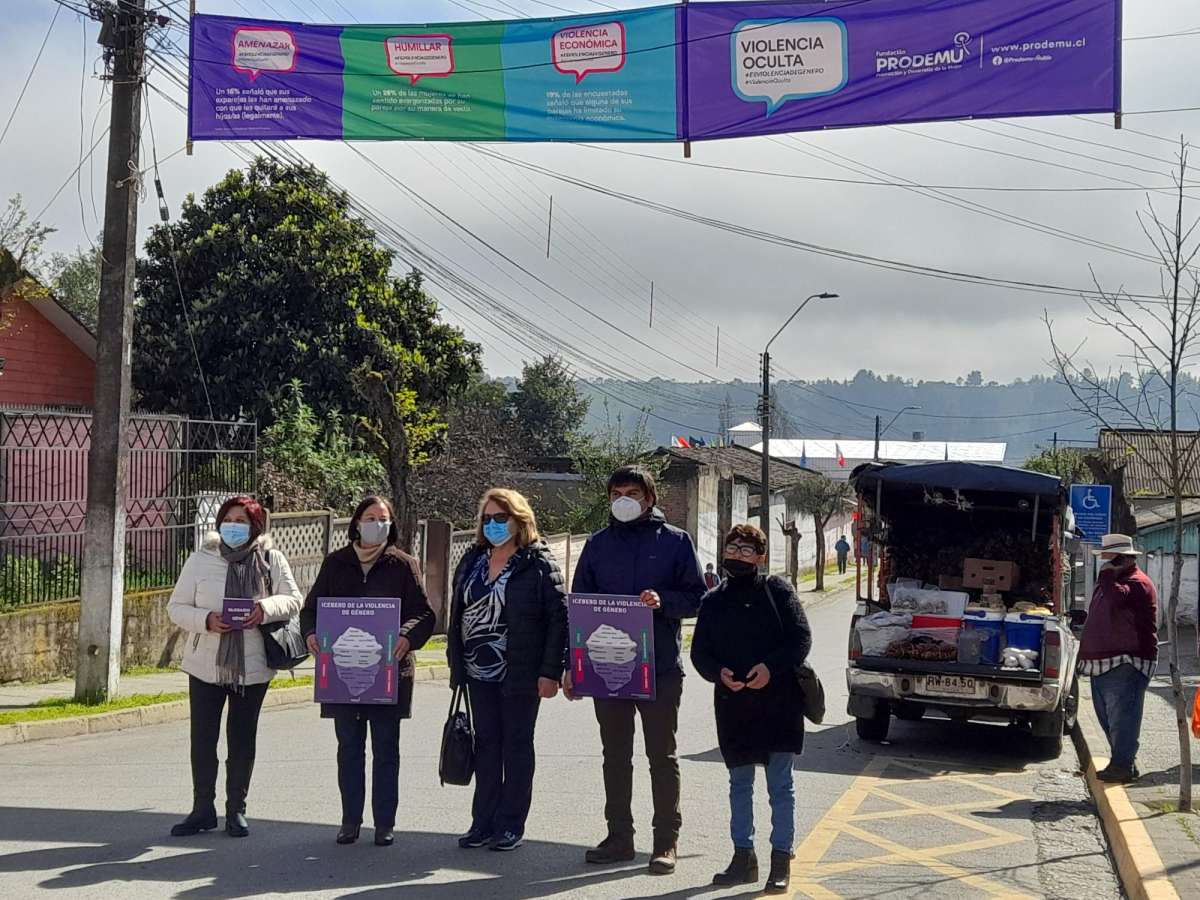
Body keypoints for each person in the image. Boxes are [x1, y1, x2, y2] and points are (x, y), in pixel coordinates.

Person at [565, 465, 706, 875]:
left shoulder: (676, 542)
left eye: (632, 492)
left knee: (661, 756)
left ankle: (666, 841)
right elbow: (579, 609)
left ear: (650, 498)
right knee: (615, 756)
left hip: (659, 668)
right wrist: (570, 667)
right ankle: (619, 837)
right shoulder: (597, 544)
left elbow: (697, 597)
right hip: (607, 669)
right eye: (616, 493)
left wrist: (663, 601)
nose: (623, 499)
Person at [300, 496, 435, 847]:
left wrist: (406, 636)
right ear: (357, 522)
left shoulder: (403, 565)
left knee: (386, 749)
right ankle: (350, 820)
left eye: (384, 518)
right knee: (349, 748)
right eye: (370, 517)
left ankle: (384, 823)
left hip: (387, 675)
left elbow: (424, 613)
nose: (377, 523)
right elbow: (310, 609)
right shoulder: (336, 564)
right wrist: (312, 633)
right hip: (343, 676)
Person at [167, 495, 303, 839]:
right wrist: (206, 620)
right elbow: (176, 607)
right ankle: (202, 810)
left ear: (255, 526)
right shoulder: (201, 560)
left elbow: (294, 599)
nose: (234, 526)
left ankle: (236, 810)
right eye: (229, 519)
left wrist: (265, 609)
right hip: (205, 664)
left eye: (242, 521)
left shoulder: (271, 559)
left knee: (241, 740)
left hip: (253, 665)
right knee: (203, 739)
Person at [691, 524, 812, 895]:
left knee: (781, 787)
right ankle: (743, 857)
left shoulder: (778, 591)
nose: (737, 555)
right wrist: (718, 673)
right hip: (734, 705)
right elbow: (699, 653)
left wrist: (769, 668)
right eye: (733, 548)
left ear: (761, 557)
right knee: (739, 785)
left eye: (747, 550)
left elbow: (800, 639)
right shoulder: (712, 600)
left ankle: (780, 860)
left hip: (779, 703)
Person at [447, 488, 568, 853]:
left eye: (502, 518)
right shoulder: (472, 560)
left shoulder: (538, 563)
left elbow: (558, 619)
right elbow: (458, 612)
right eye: (488, 519)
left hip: (521, 672)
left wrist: (551, 671)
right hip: (476, 673)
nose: (494, 525)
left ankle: (511, 824)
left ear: (520, 521)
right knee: (486, 747)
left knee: (516, 747)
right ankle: (482, 822)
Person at [1078, 533, 1158, 784]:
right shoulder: (1112, 582)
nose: (1103, 563)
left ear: (1119, 560)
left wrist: (1106, 576)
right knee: (1109, 717)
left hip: (1126, 661)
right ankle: (1123, 763)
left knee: (1122, 717)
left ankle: (1122, 765)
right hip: (1105, 663)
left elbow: (1117, 600)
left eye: (1107, 558)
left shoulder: (1135, 583)